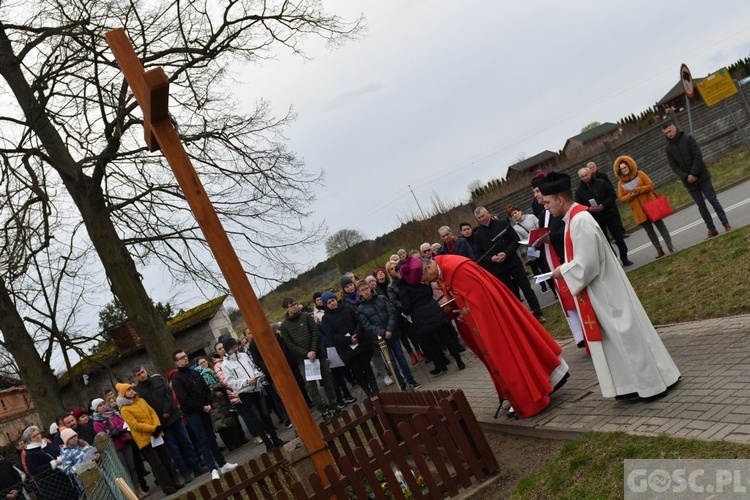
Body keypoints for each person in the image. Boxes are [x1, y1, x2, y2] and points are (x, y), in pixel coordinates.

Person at [541, 171, 681, 400]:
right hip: (599, 290)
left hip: (605, 290)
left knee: (626, 336)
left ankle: (651, 385)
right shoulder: (572, 220)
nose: (545, 207)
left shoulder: (580, 220)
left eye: (547, 202)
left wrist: (562, 271)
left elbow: (587, 265)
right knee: (618, 340)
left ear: (560, 199)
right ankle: (632, 385)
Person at [417, 255, 569, 419]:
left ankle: (532, 395)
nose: (427, 283)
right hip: (486, 318)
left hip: (493, 320)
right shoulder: (444, 271)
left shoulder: (457, 268)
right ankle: (528, 391)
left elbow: (481, 301)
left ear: (429, 268)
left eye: (425, 279)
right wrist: (462, 311)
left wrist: (466, 312)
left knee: (508, 354)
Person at [530, 173, 585, 348]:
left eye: (539, 191)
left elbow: (567, 232)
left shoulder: (577, 217)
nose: (537, 196)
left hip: (566, 258)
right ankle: (580, 335)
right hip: (554, 261)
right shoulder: (542, 215)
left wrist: (550, 237)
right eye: (535, 192)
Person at [171, 349, 238, 481]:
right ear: (176, 362)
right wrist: (201, 406)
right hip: (193, 413)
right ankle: (212, 468)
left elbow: (206, 389)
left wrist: (208, 404)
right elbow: (183, 398)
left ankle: (222, 463)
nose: (185, 359)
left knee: (211, 437)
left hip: (206, 409)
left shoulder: (195, 372)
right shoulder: (177, 379)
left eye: (185, 356)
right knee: (203, 440)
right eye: (181, 358)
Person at [132, 365, 206, 483]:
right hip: (161, 423)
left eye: (143, 372)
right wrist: (158, 418)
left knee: (186, 442)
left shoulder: (158, 379)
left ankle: (197, 466)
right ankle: (185, 473)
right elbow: (145, 408)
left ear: (145, 370)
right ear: (135, 378)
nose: (142, 375)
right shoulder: (138, 392)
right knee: (174, 449)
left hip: (174, 416)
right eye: (139, 375)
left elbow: (168, 394)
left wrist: (167, 410)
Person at [472, 206, 545, 322]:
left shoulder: (502, 224)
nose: (482, 219)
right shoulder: (478, 235)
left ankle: (538, 312)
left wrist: (506, 253)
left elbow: (515, 240)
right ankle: (522, 318)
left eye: (483, 216)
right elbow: (478, 255)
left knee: (526, 288)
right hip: (498, 269)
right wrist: (492, 259)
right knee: (510, 295)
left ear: (488, 213)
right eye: (479, 218)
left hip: (513, 262)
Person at [662, 122, 732, 238]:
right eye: (666, 133)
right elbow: (673, 166)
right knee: (701, 205)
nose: (668, 134)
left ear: (674, 128)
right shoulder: (668, 149)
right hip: (689, 182)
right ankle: (711, 229)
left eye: (670, 131)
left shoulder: (688, 139)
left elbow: (698, 156)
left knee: (712, 200)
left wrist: (694, 173)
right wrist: (686, 176)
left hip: (702, 176)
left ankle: (726, 224)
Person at [400, 258, 465, 375]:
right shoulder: (422, 279)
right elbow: (430, 292)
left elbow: (407, 306)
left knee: (430, 343)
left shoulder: (404, 287)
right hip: (433, 308)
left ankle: (441, 364)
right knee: (445, 336)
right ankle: (459, 361)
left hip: (420, 316)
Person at [220, 338, 287, 452]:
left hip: (256, 388)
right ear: (227, 350)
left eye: (235, 347)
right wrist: (246, 382)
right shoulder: (226, 365)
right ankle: (267, 443)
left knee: (266, 415)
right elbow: (231, 382)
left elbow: (253, 367)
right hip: (245, 393)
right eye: (232, 348)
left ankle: (276, 439)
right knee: (257, 418)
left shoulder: (243, 355)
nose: (235, 349)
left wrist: (257, 376)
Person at [280, 297, 339, 422]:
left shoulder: (306, 316)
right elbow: (290, 345)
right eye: (291, 305)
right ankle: (324, 410)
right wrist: (306, 354)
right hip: (304, 360)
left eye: (296, 303)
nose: (295, 306)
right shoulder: (285, 326)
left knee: (327, 379)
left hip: (318, 354)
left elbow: (315, 333)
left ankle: (334, 405)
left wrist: (312, 350)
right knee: (311, 386)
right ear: (286, 309)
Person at [356, 280, 422, 390]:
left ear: (370, 288)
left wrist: (389, 329)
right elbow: (367, 325)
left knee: (401, 357)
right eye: (362, 290)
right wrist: (382, 332)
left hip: (393, 334)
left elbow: (392, 312)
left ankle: (410, 379)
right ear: (359, 293)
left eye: (366, 288)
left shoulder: (382, 298)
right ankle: (401, 383)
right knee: (390, 362)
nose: (366, 292)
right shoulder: (361, 309)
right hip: (381, 339)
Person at [117, 383, 182, 495]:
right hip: (145, 440)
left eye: (131, 389)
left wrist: (157, 426)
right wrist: (152, 429)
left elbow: (152, 413)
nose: (131, 391)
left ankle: (175, 481)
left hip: (156, 434)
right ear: (123, 395)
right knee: (157, 465)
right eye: (128, 390)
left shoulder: (141, 400)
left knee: (167, 459)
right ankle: (167, 487)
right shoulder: (124, 409)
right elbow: (135, 425)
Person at [614, 156, 676, 259]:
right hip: (638, 210)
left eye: (625, 167)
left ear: (630, 166)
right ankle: (659, 249)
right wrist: (630, 196)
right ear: (619, 171)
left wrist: (639, 189)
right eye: (622, 169)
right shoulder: (620, 183)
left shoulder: (640, 174)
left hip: (650, 205)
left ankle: (670, 245)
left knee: (661, 226)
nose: (624, 170)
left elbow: (650, 185)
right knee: (649, 231)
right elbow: (622, 198)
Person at [321, 291, 379, 397]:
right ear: (326, 305)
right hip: (346, 349)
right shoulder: (326, 318)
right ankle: (368, 393)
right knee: (357, 373)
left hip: (359, 343)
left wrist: (356, 335)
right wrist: (348, 340)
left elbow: (358, 321)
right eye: (329, 303)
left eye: (333, 300)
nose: (332, 303)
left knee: (367, 368)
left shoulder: (347, 307)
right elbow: (332, 335)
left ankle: (376, 390)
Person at [575, 167, 633, 266]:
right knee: (605, 242)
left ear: (590, 174)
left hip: (610, 214)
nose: (585, 178)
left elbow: (612, 195)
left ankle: (624, 257)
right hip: (596, 219)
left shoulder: (601, 182)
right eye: (583, 176)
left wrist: (603, 205)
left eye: (586, 175)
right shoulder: (579, 191)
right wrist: (589, 209)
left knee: (618, 237)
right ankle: (614, 261)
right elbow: (580, 206)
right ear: (580, 178)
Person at [91, 398, 147, 497]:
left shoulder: (113, 414)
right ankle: (132, 493)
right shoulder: (96, 422)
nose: (103, 406)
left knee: (132, 467)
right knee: (124, 470)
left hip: (124, 442)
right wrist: (113, 431)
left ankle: (139, 489)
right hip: (115, 447)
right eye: (99, 405)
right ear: (96, 409)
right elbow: (102, 435)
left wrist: (117, 429)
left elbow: (122, 423)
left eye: (103, 403)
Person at [21, 425, 79, 500]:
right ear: (29, 440)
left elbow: (58, 452)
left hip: (65, 480)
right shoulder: (30, 454)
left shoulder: (48, 444)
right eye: (34, 436)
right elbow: (34, 470)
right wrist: (53, 463)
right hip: (53, 487)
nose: (38, 436)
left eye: (38, 434)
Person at [506, 204, 553, 293]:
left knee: (544, 267)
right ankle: (543, 286)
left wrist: (538, 238)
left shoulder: (531, 217)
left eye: (515, 213)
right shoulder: (515, 228)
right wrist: (530, 241)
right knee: (535, 269)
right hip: (529, 250)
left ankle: (551, 284)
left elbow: (539, 227)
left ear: (520, 211)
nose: (515, 215)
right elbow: (520, 239)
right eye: (512, 215)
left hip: (540, 245)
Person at [587, 161, 629, 238]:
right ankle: (613, 236)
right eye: (590, 168)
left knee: (616, 215)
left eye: (593, 167)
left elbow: (609, 186)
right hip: (599, 203)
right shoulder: (589, 180)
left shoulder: (603, 176)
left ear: (596, 167)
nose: (592, 169)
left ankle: (622, 231)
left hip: (608, 199)